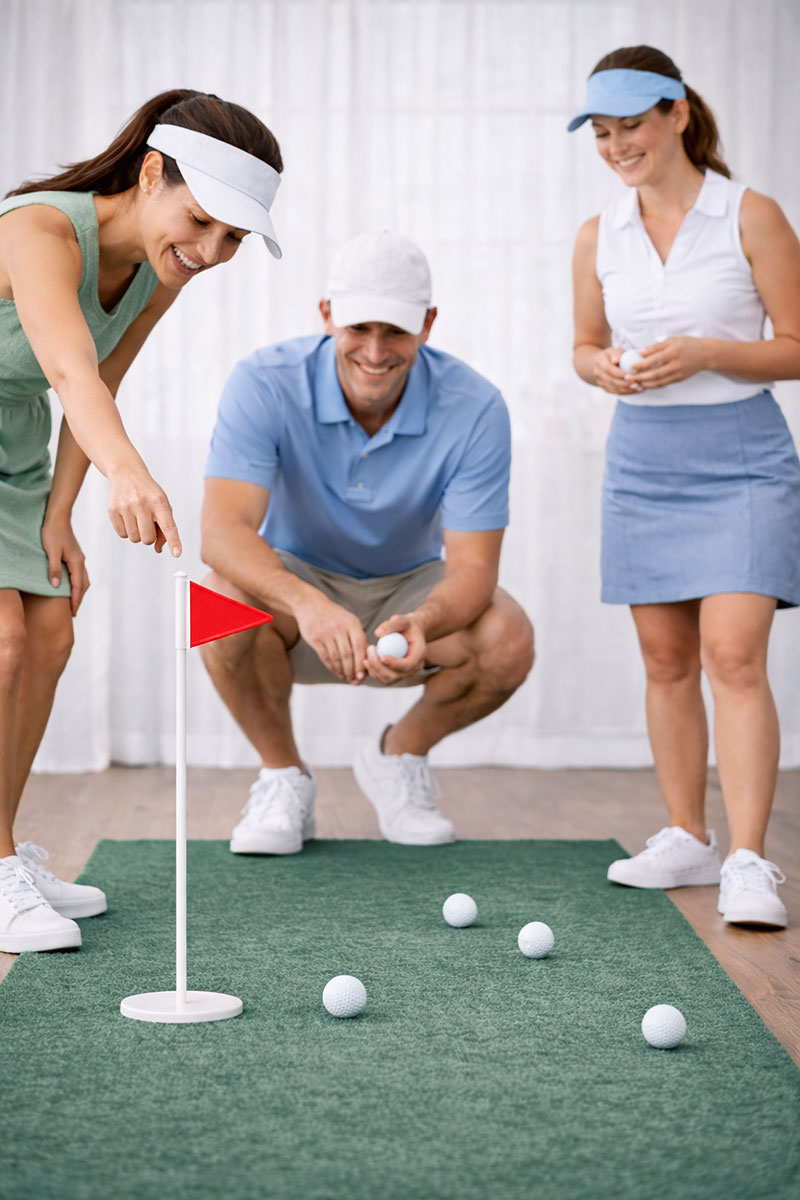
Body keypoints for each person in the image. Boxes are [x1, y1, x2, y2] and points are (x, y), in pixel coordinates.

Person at [0, 89, 283, 953]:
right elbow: (72, 373)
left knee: (50, 636)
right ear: (151, 172)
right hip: (37, 424)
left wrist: (60, 515)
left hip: (14, 452)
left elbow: (107, 386)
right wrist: (127, 473)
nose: (208, 252)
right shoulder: (38, 231)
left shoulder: (162, 267)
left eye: (232, 239)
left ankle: (3, 851)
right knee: (4, 642)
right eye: (200, 222)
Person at [200, 231, 534, 855]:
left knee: (509, 638)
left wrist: (426, 620)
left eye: (397, 331)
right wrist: (308, 604)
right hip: (298, 584)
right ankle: (283, 777)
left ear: (428, 325)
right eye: (359, 327)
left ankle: (397, 758)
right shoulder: (263, 381)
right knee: (215, 605)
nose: (376, 352)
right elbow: (221, 533)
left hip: (410, 586)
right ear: (326, 315)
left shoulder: (477, 406)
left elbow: (473, 567)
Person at [569, 46, 800, 927]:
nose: (618, 144)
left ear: (678, 116)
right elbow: (583, 346)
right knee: (666, 661)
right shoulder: (600, 234)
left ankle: (748, 859)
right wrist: (606, 371)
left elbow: (797, 345)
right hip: (644, 459)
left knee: (734, 656)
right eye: (602, 131)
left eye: (631, 125)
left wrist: (706, 351)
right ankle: (686, 837)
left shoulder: (753, 215)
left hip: (743, 455)